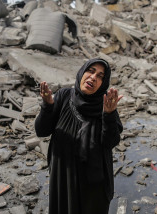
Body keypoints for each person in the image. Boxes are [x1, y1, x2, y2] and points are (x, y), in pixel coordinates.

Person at [35, 58, 123, 214]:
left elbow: (110, 142)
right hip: (63, 178)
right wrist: (47, 105)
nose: (94, 77)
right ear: (82, 72)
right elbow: (42, 131)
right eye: (91, 71)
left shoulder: (105, 106)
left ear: (103, 83)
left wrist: (108, 115)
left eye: (100, 76)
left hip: (93, 186)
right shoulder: (63, 96)